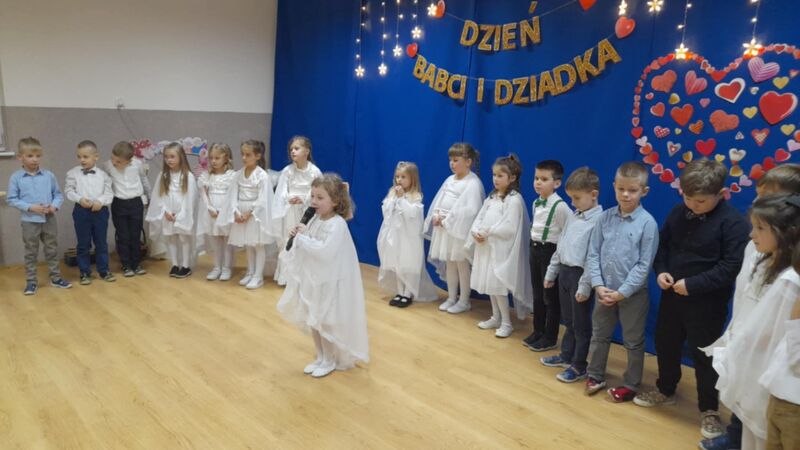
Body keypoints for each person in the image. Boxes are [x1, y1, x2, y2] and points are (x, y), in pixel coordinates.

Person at [277, 174, 369, 378]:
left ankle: (330, 360)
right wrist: (301, 233)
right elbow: (312, 242)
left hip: (329, 282)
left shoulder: (337, 224)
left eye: (320, 197)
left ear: (335, 201)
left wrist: (302, 240)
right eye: (312, 196)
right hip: (315, 280)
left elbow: (324, 251)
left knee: (325, 322)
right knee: (314, 320)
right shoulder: (316, 219)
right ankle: (320, 356)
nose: (314, 201)